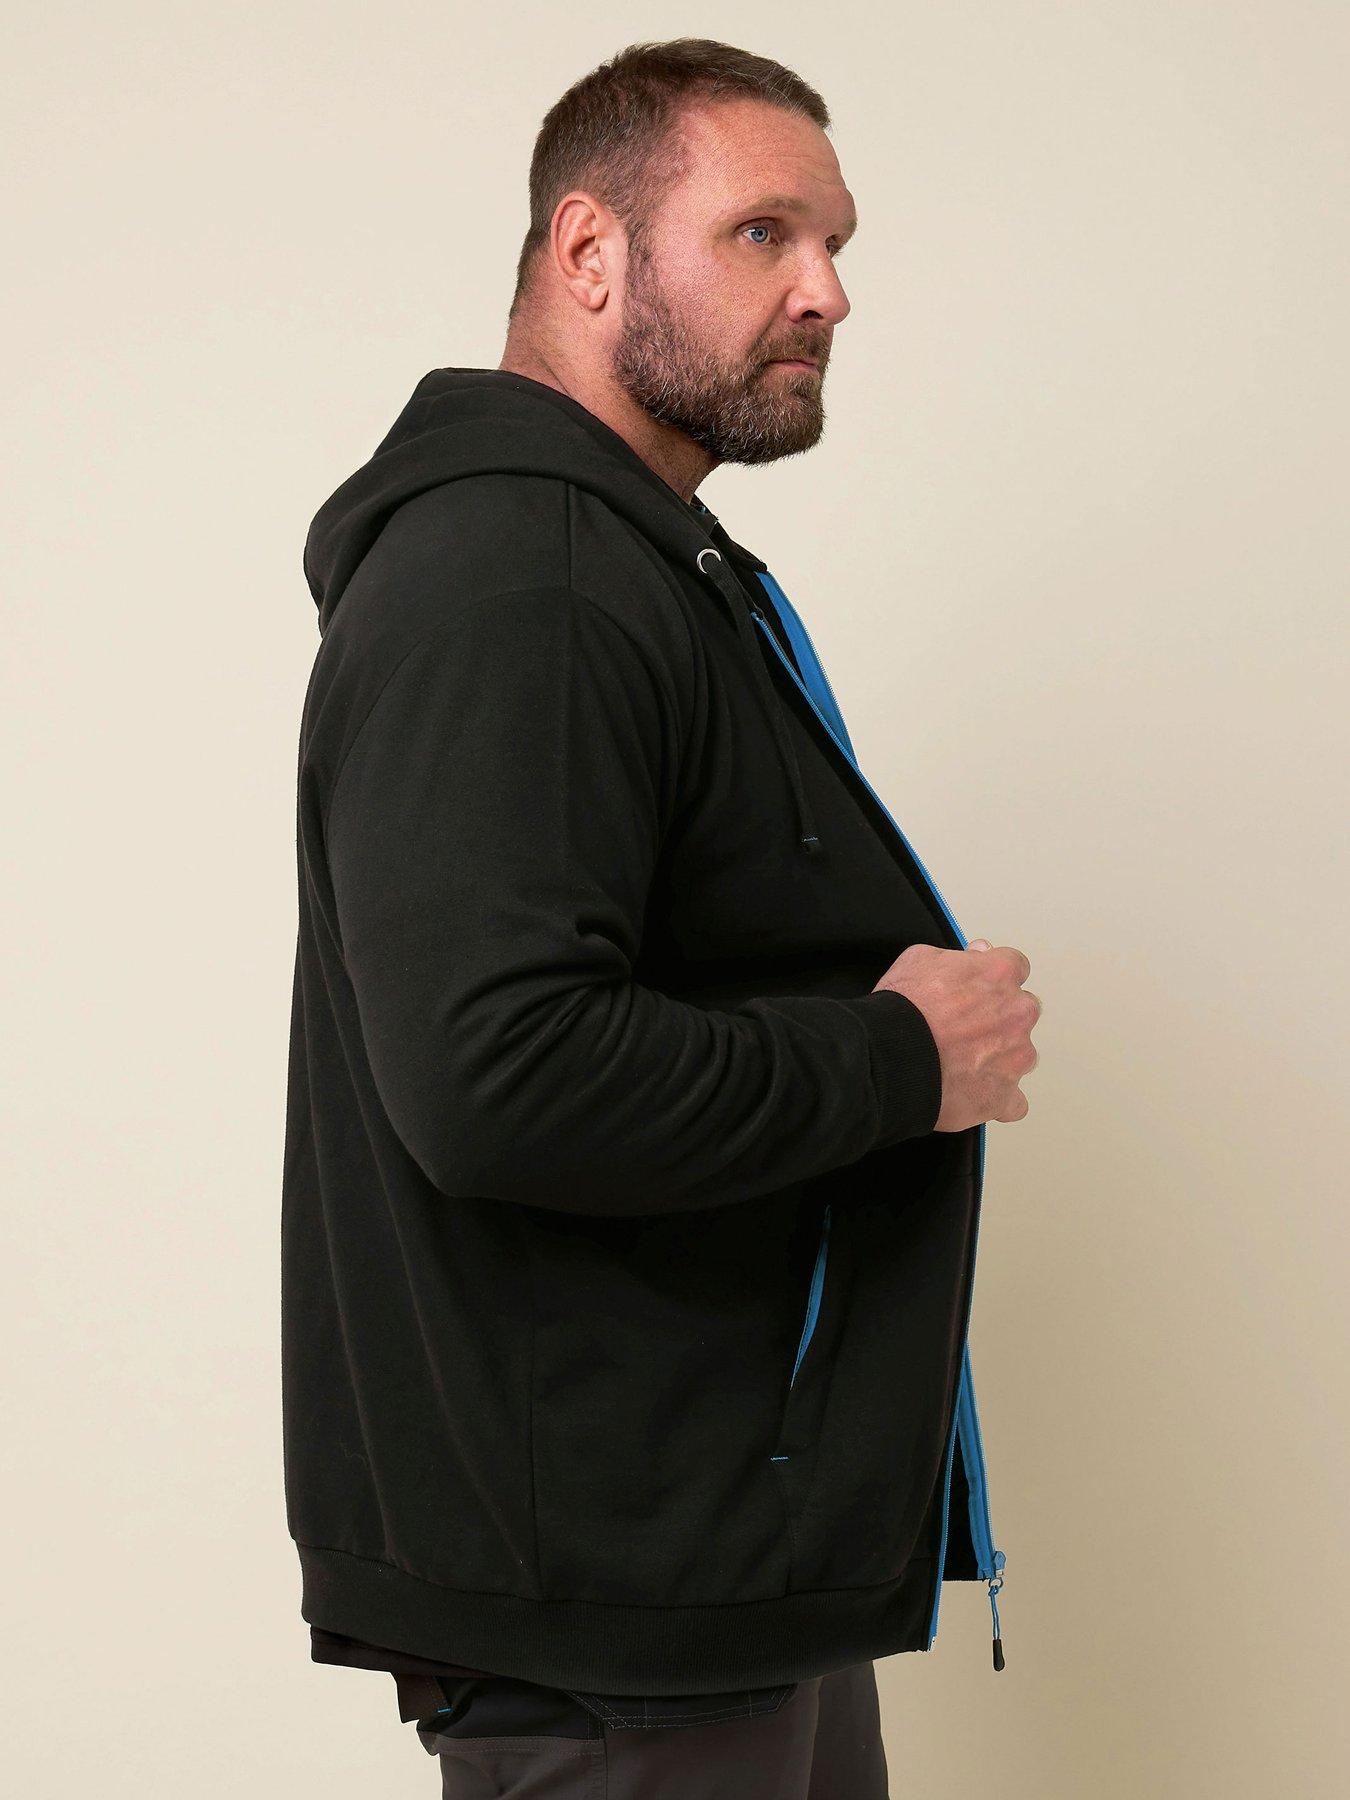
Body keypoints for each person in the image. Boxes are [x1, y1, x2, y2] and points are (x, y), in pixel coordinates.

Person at [283, 34, 1039, 1797]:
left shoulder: (630, 568)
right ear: (588, 251)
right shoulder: (519, 577)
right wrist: (898, 1059)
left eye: (834, 243)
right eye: (762, 233)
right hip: (618, 1617)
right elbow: (499, 1075)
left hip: (709, 1576)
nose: (826, 291)